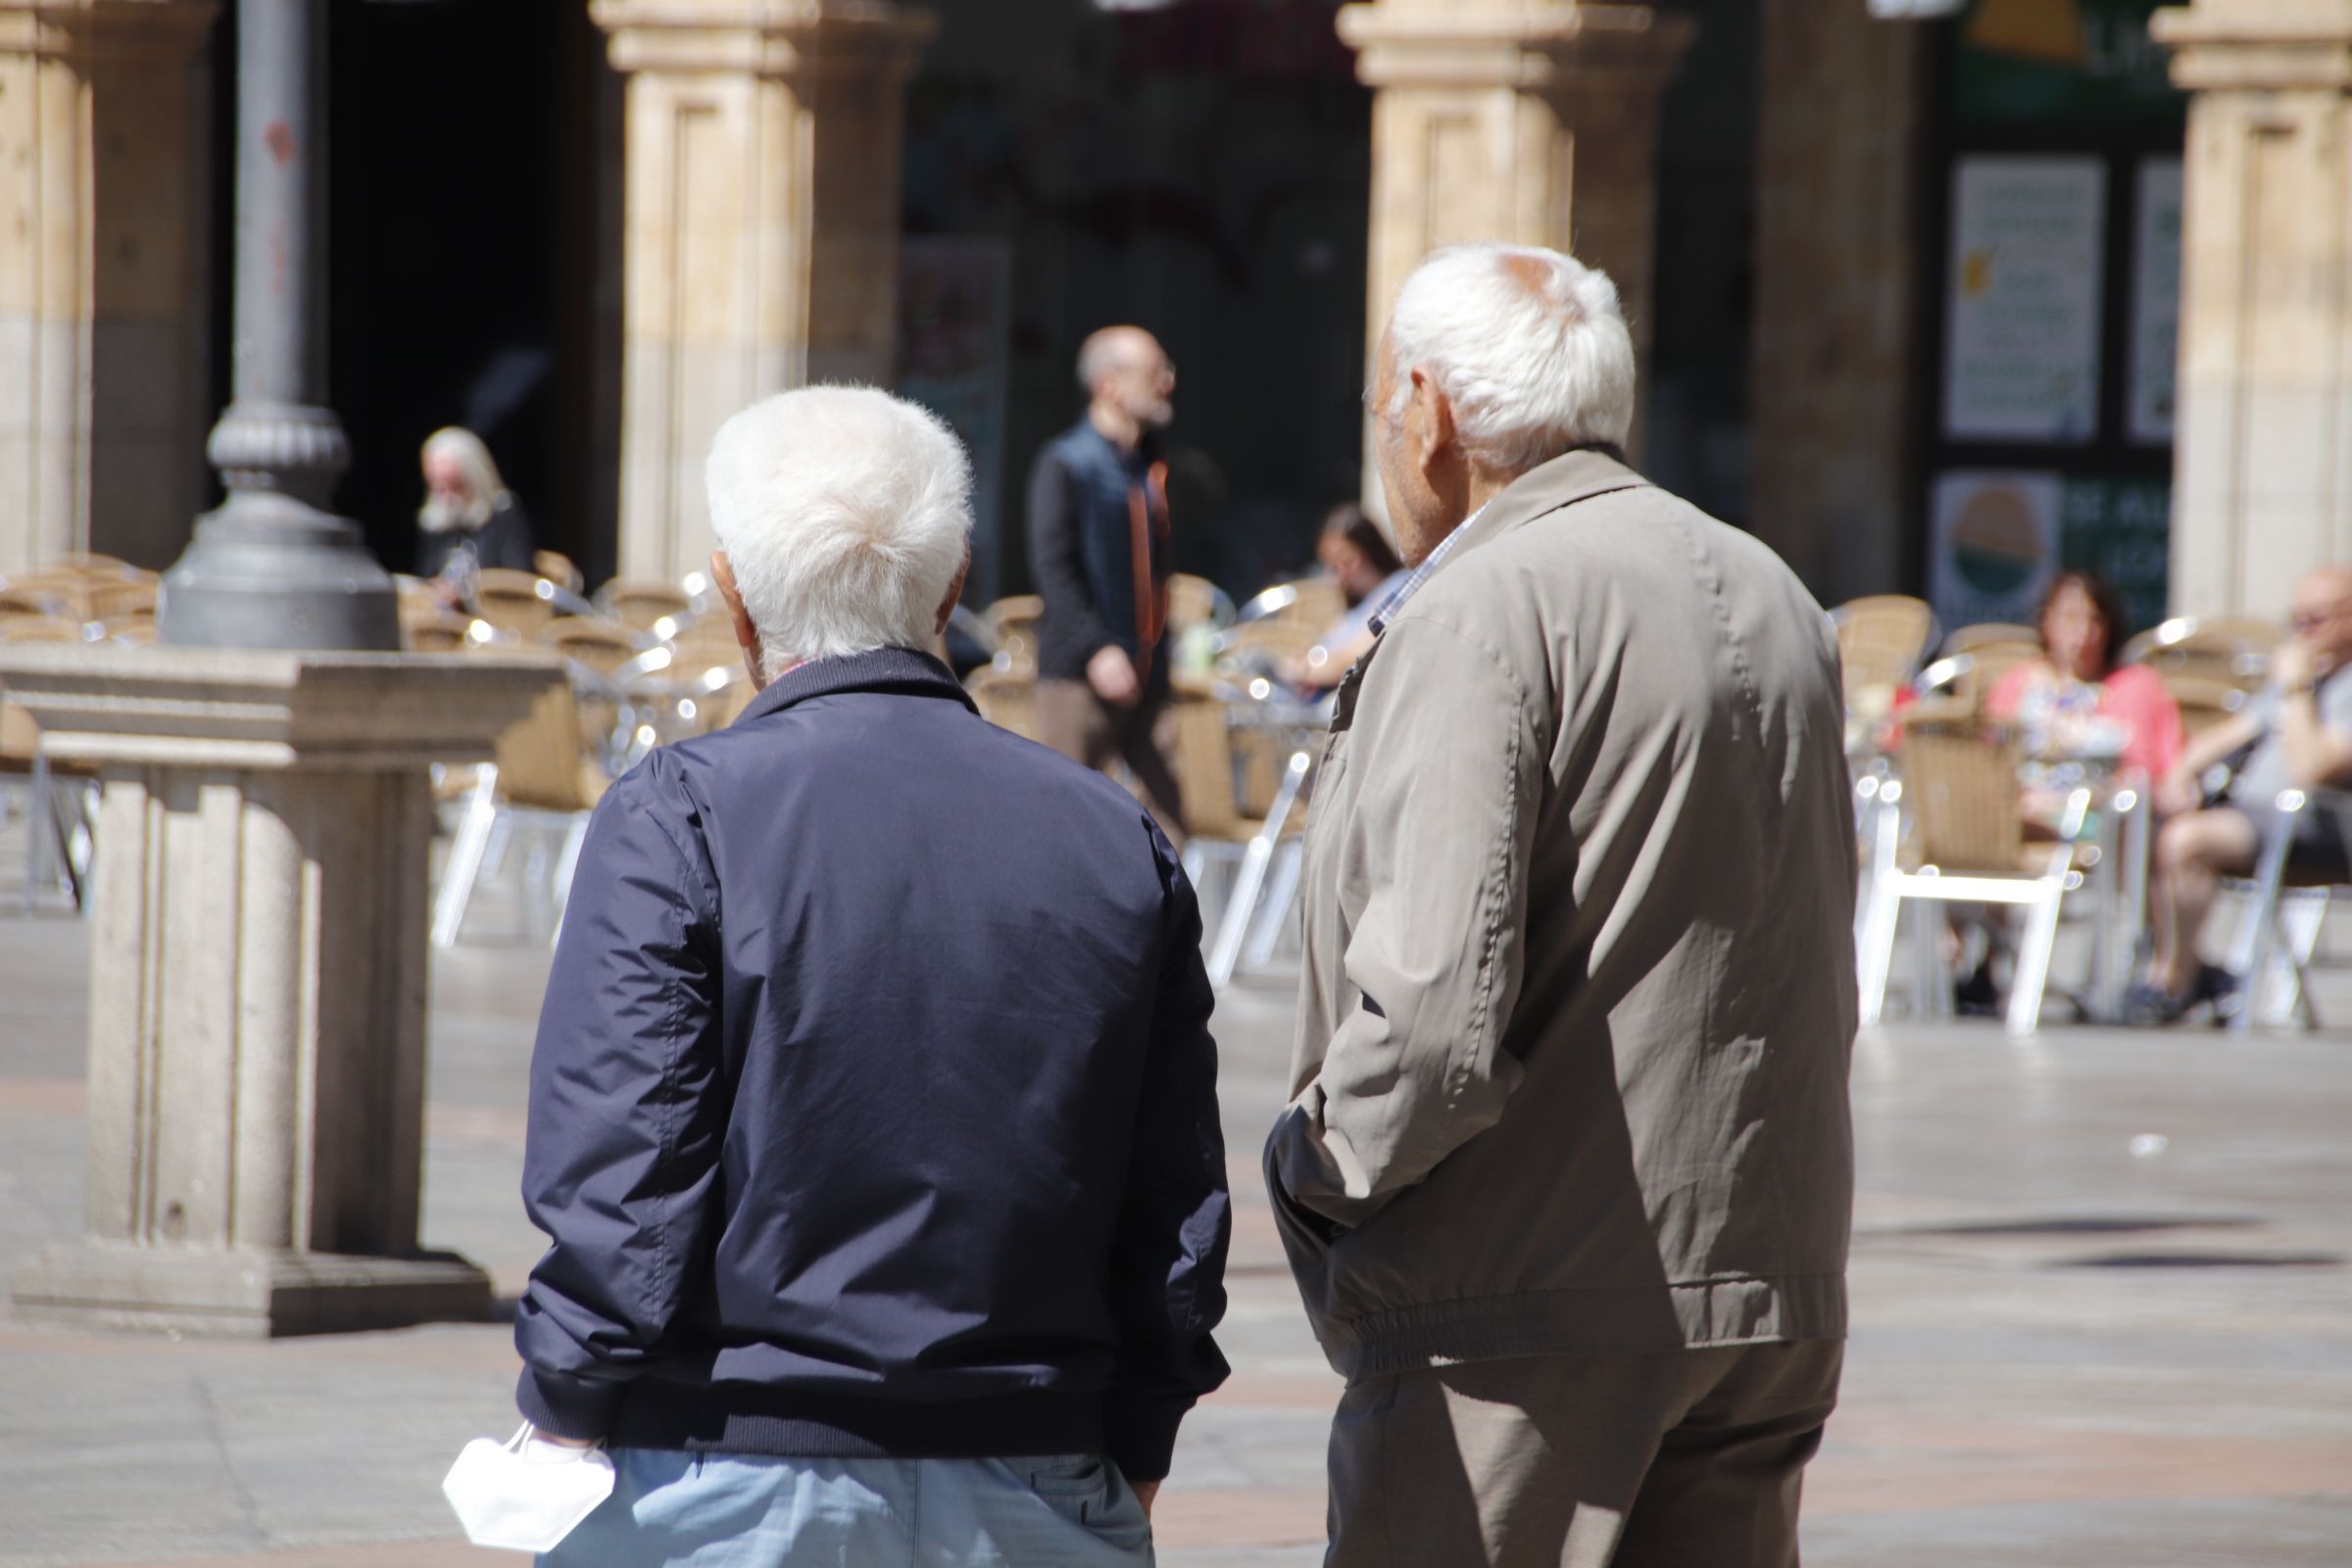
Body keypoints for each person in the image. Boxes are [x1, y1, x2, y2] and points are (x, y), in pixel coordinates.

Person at [514, 385, 1230, 1565]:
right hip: (1039, 1472)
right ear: (950, 592)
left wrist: (565, 1404)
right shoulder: (1113, 835)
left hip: (723, 1468)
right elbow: (1173, 1209)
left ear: (733, 592)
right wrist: (1136, 1439)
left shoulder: (677, 815)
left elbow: (623, 1185)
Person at [1263, 243, 1856, 1568]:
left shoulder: (1482, 606)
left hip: (1525, 1302)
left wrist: (1315, 1169)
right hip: (1765, 1277)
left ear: (1429, 408)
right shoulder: (1770, 585)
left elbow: (1428, 1023)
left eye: (1383, 407)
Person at [2132, 564, 2352, 1024]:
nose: (2302, 634)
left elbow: (2314, 767)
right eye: (2296, 622)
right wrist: (2180, 774)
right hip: (2253, 817)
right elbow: (2229, 734)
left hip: (2317, 824)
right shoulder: (2308, 675)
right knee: (2147, 823)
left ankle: (2173, 981)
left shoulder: (2323, 684)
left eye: (2316, 621)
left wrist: (2295, 686)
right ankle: (2190, 974)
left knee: (2186, 842)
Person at [1027, 325, 1185, 836]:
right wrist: (1096, 648)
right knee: (1064, 825)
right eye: (1153, 372)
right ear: (1108, 385)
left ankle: (1157, 919)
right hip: (1079, 677)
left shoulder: (1150, 465)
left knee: (1172, 824)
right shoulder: (1067, 462)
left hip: (1146, 677)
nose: (1167, 382)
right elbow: (1053, 566)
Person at [1986, 570, 2184, 792]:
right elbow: (1990, 754)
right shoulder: (2019, 682)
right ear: (2047, 620)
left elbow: (2144, 772)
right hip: (2021, 806)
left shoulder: (2133, 686)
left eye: (2094, 620)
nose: (2082, 632)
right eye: (2070, 617)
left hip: (2096, 811)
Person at [1290, 504, 1408, 691]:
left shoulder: (1399, 589)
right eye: (1332, 566)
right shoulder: (1354, 605)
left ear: (1369, 550)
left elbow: (1355, 658)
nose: (1339, 576)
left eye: (1346, 562)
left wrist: (1302, 670)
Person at [415, 426, 535, 599]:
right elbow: (425, 578)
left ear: (475, 480)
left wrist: (465, 594)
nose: (447, 498)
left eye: (455, 487)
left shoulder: (504, 517)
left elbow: (519, 584)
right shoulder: (436, 522)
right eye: (439, 488)